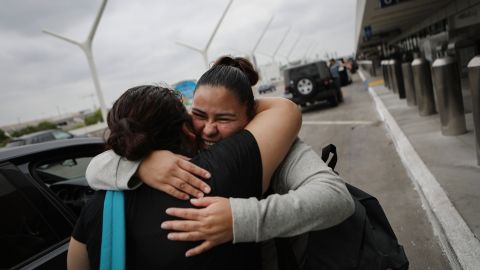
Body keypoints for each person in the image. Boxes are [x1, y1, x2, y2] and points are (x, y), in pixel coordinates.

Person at [86, 56, 355, 269]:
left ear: (251, 116)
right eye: (200, 114)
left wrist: (241, 219)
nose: (209, 129)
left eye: (225, 118)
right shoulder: (179, 150)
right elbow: (95, 167)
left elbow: (336, 197)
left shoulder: (280, 146)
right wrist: (143, 165)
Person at [68, 84, 301, 269]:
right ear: (186, 129)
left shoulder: (96, 209)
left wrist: (139, 164)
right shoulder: (215, 173)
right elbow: (285, 109)